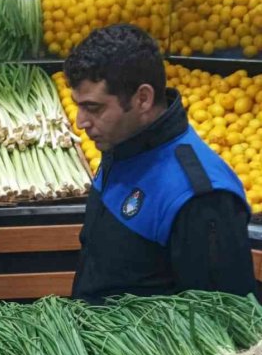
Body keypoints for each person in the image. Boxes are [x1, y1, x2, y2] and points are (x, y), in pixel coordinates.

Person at [65, 23, 256, 302]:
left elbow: (225, 323)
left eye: (93, 107)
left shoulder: (201, 197)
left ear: (142, 98)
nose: (80, 122)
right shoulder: (120, 145)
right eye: (78, 105)